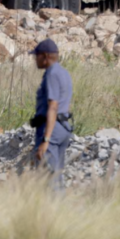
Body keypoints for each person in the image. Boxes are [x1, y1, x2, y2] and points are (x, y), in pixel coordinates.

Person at [31, 38, 74, 186]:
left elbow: (53, 106)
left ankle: (54, 206)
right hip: (63, 126)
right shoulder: (64, 72)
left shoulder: (52, 74)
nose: (35, 59)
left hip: (52, 130)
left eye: (37, 55)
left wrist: (46, 140)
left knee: (49, 178)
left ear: (46, 56)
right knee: (56, 174)